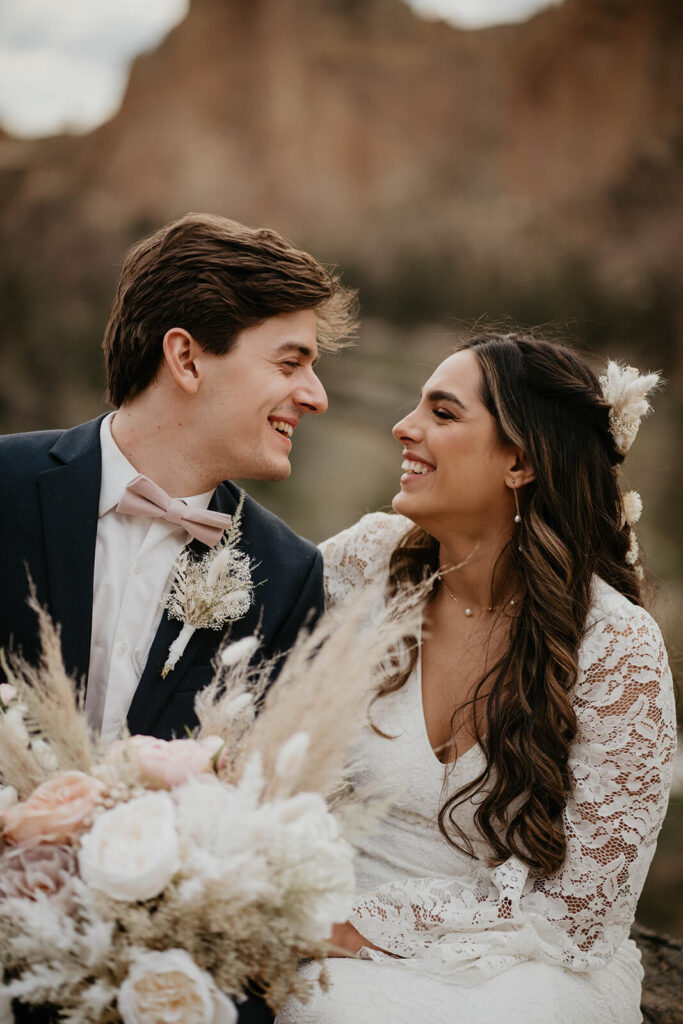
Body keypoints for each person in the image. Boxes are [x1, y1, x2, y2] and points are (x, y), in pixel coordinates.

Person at [0, 212, 357, 1024]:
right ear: (187, 357)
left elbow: (257, 821)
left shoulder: (286, 572)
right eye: (291, 362)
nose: (317, 395)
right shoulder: (4, 487)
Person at [277, 332, 677, 1024]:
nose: (403, 427)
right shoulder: (365, 562)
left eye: (441, 413)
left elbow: (580, 912)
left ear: (519, 460)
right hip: (324, 927)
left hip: (526, 961)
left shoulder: (615, 647)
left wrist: (372, 925)